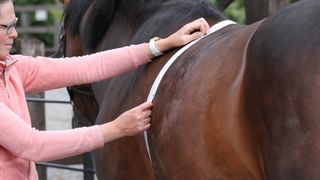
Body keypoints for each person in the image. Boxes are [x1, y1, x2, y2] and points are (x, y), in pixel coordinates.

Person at [0, 0, 209, 179]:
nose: (15, 33)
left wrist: (157, 46)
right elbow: (33, 145)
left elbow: (86, 66)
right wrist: (117, 128)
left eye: (15, 23)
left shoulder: (13, 67)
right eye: (6, 26)